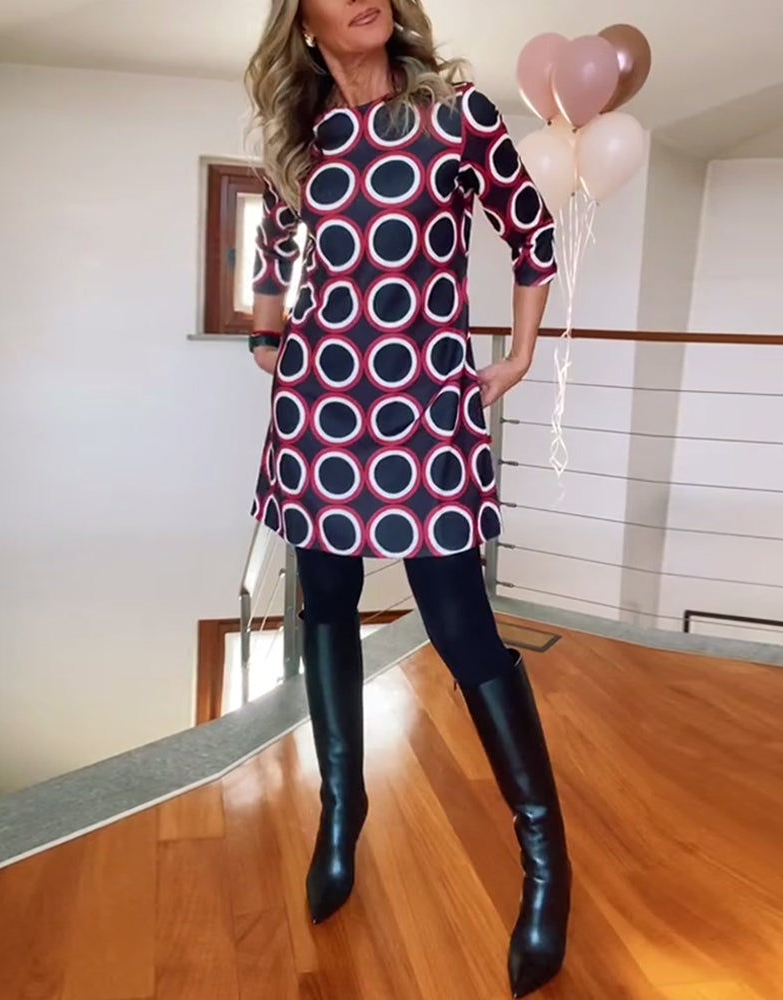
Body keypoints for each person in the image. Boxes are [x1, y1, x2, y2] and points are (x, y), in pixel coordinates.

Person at [245, 1, 570, 996]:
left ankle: (544, 860)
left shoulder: (456, 112)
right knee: (327, 606)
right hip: (321, 410)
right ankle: (342, 810)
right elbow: (274, 249)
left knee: (462, 627)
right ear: (303, 25)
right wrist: (268, 336)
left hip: (424, 410)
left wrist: (518, 355)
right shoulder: (302, 139)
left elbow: (532, 233)